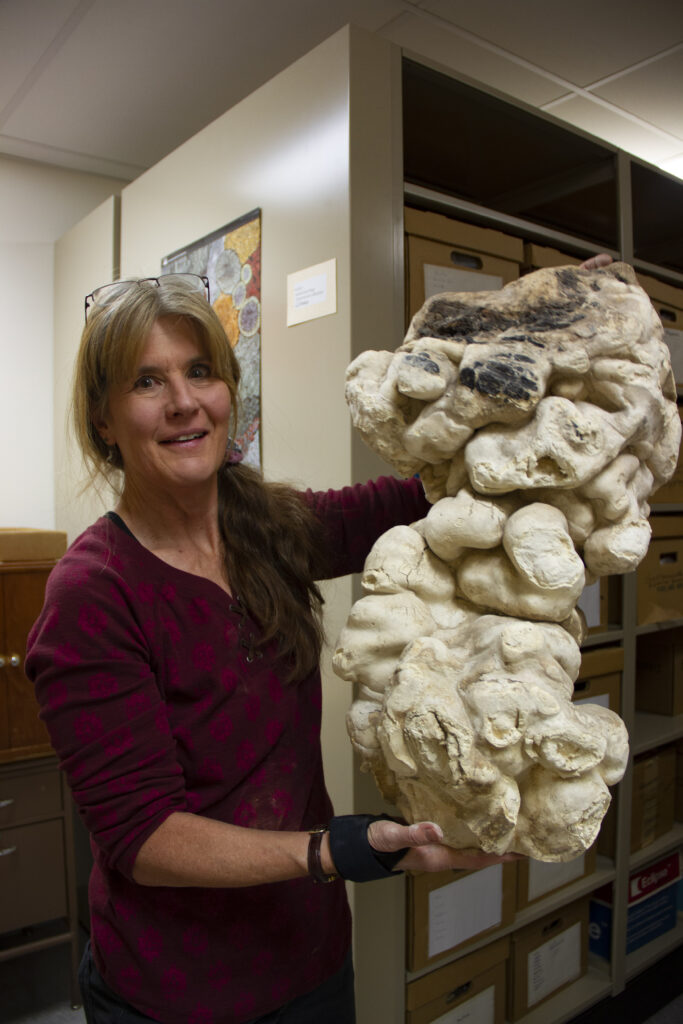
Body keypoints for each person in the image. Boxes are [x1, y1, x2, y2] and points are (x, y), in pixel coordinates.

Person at [25, 274, 518, 1024]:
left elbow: (409, 501)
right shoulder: (92, 594)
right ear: (103, 418)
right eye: (146, 381)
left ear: (229, 390)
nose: (184, 401)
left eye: (200, 372)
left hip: (309, 960)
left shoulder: (265, 526)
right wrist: (338, 850)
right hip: (177, 991)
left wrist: (536, 337)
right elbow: (144, 837)